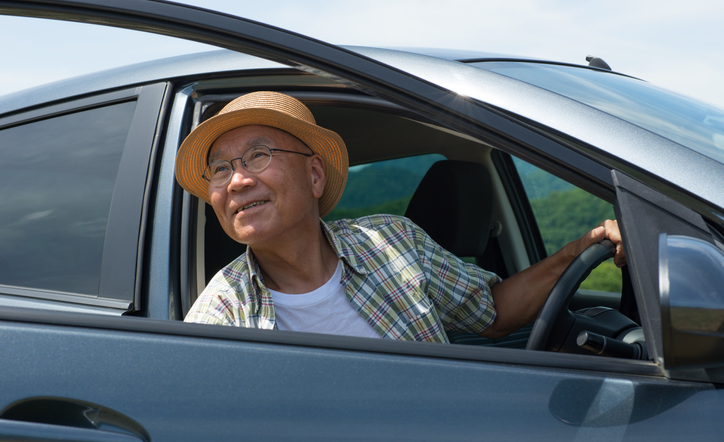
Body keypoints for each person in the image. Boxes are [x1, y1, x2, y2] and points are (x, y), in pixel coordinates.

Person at [175, 91, 625, 343]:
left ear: (314, 175)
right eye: (220, 168)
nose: (235, 182)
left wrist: (584, 249)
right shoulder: (219, 319)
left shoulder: (393, 242)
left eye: (257, 156)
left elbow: (495, 314)